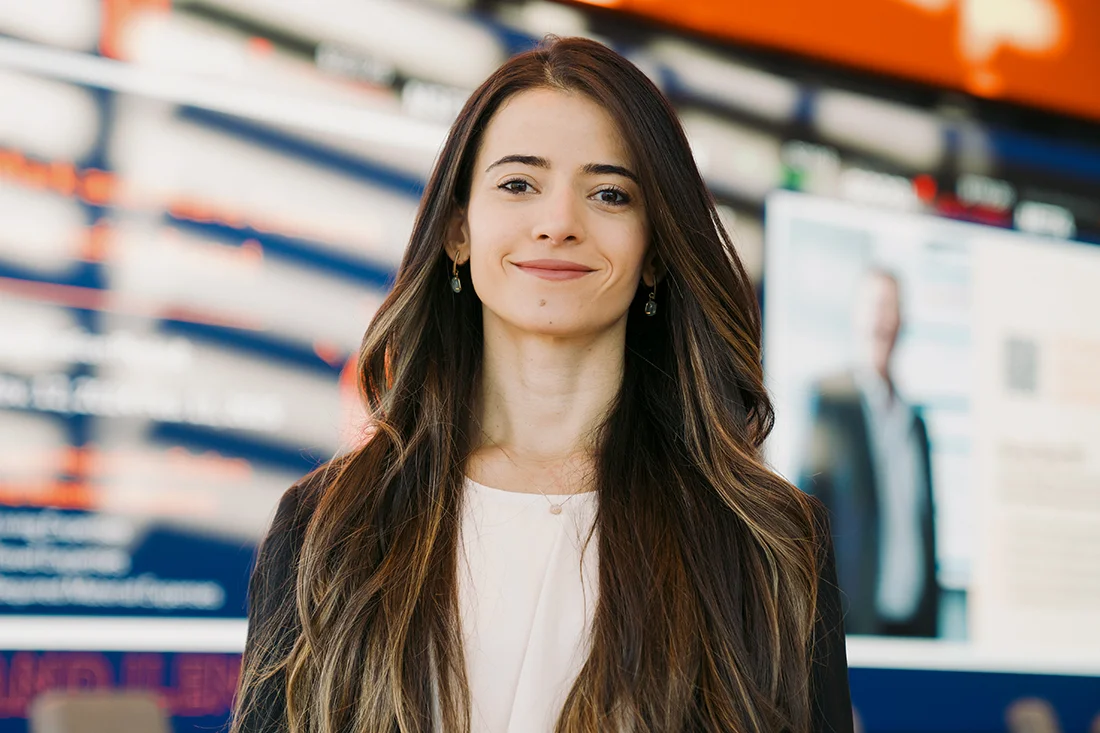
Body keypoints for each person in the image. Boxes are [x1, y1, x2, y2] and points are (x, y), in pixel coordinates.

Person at [232, 37, 852, 733]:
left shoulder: (768, 543)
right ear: (458, 231)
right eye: (518, 184)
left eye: (610, 194)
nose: (559, 222)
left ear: (654, 252)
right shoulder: (323, 529)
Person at [799, 269, 939, 638]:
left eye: (891, 307)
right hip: (852, 626)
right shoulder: (830, 400)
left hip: (915, 626)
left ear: (902, 321)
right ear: (856, 317)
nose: (882, 318)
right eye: (875, 306)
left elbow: (927, 526)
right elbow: (809, 514)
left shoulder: (916, 421)